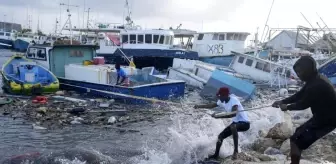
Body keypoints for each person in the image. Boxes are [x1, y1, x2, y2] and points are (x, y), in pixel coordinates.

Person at [272, 56, 336, 164]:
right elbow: (299, 95)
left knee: (296, 140)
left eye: (299, 72)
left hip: (328, 119)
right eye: (296, 72)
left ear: (308, 70)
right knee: (297, 135)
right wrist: (282, 101)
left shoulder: (316, 84)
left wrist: (287, 107)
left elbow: (303, 104)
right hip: (324, 116)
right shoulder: (315, 79)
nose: (298, 75)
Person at [194, 87, 250, 160]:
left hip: (245, 124)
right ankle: (216, 155)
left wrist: (218, 116)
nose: (219, 97)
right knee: (220, 136)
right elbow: (211, 105)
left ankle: (235, 151)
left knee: (233, 126)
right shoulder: (222, 100)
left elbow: (233, 114)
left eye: (220, 96)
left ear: (225, 95)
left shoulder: (234, 101)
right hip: (236, 123)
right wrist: (199, 106)